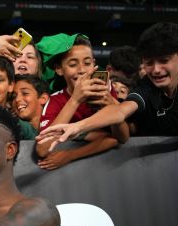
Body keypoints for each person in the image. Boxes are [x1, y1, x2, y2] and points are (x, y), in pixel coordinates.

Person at [37, 22, 178, 147]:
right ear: (59, 69)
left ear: (94, 64)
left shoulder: (107, 89)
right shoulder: (147, 86)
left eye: (164, 61)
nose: (156, 70)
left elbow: (118, 135)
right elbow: (120, 112)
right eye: (149, 63)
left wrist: (79, 130)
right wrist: (78, 125)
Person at [34, 33, 128, 170]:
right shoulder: (55, 100)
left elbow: (121, 138)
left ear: (94, 65)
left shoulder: (105, 91)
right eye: (73, 64)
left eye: (87, 63)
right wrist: (75, 100)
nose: (82, 70)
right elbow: (42, 149)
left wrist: (71, 155)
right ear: (59, 69)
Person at [12, 74, 50, 140]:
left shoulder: (59, 124)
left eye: (25, 93)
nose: (17, 99)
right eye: (13, 96)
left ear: (43, 98)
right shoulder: (13, 126)